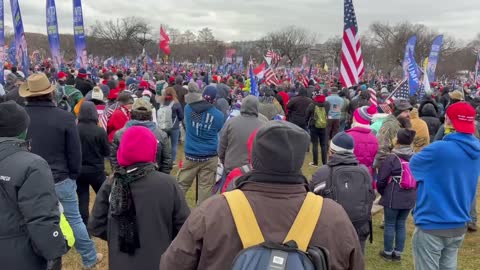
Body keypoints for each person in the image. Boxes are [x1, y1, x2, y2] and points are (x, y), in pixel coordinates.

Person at [161, 121, 364, 270]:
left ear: (255, 157)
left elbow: (172, 264)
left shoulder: (213, 211)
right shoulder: (334, 217)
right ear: (300, 160)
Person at [20, 73, 102, 269]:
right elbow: (75, 152)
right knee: (74, 219)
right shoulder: (64, 117)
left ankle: (86, 256)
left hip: (33, 178)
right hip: (59, 177)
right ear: (50, 93)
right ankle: (89, 257)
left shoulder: (22, 116)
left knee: (33, 220)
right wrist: (72, 174)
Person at [89, 126, 190, 270]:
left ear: (122, 150)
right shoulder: (168, 184)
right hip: (159, 260)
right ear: (153, 150)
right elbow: (184, 227)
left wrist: (120, 236)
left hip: (121, 262)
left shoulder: (112, 182)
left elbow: (96, 225)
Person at [410, 102, 480, 270]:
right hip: (459, 223)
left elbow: (413, 167)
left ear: (448, 120)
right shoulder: (476, 150)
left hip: (432, 223)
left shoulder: (438, 149)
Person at [0, 101, 67, 270]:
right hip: (19, 255)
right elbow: (41, 218)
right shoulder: (32, 165)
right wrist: (55, 252)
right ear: (23, 130)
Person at [311, 132, 375, 253]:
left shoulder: (323, 172)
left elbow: (310, 198)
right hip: (359, 228)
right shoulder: (365, 171)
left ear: (331, 151)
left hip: (331, 230)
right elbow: (370, 196)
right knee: (356, 261)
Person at [177, 85, 224, 205]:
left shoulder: (188, 108)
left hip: (191, 153)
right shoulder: (218, 116)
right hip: (209, 155)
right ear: (214, 100)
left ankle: (173, 208)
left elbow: (188, 124)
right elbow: (217, 129)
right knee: (206, 188)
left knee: (182, 184)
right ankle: (200, 215)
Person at [377, 129, 417, 262]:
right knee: (401, 224)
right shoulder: (415, 156)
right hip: (410, 195)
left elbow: (381, 179)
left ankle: (388, 253)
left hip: (393, 195)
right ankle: (398, 253)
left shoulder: (392, 157)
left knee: (389, 224)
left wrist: (383, 192)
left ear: (397, 140)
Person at [111, 98, 172, 174]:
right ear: (150, 115)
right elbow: (167, 160)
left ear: (131, 113)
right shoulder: (161, 134)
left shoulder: (120, 134)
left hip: (137, 178)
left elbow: (114, 158)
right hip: (138, 178)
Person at [76, 101, 110, 226]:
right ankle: (105, 221)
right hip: (96, 170)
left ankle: (85, 227)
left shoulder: (75, 129)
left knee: (82, 200)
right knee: (104, 197)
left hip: (79, 170)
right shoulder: (99, 131)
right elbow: (107, 151)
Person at [219, 95, 266, 174]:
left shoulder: (231, 122)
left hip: (231, 168)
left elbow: (222, 146)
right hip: (252, 171)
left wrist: (224, 161)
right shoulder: (263, 126)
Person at [374, 99, 412, 169]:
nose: (408, 115)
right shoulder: (389, 126)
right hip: (390, 168)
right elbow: (382, 150)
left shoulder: (401, 125)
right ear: (398, 113)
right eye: (405, 112)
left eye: (409, 112)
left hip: (399, 167)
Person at [346, 104, 379, 179]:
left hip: (349, 175)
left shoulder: (347, 136)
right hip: (367, 176)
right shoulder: (374, 139)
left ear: (355, 118)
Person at [157, 87, 184, 163]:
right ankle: (172, 161)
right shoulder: (176, 103)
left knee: (163, 144)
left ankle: (162, 159)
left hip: (163, 126)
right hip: (174, 127)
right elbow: (181, 116)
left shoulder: (161, 102)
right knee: (174, 145)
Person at [305, 92, 330, 166]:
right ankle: (324, 162)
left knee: (315, 144)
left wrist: (306, 122)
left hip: (314, 126)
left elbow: (307, 115)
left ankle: (315, 162)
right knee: (323, 145)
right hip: (324, 126)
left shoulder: (312, 105)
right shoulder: (327, 104)